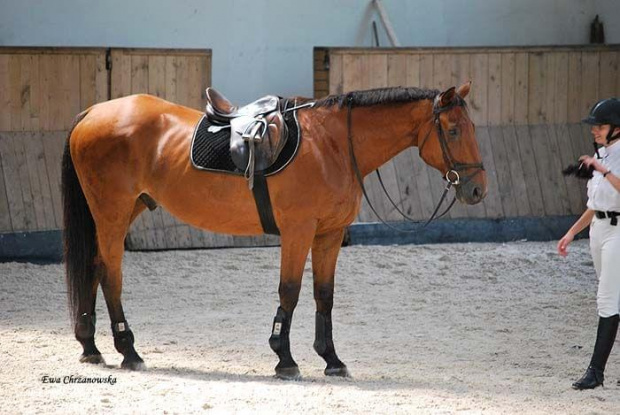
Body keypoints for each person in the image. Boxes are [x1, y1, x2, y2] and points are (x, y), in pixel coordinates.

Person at [557, 98, 620, 390]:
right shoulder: (603, 156)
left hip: (619, 231)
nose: (595, 130)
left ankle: (595, 372)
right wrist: (572, 232)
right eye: (594, 126)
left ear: (617, 128)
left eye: (601, 126)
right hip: (598, 229)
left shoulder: (611, 160)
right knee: (613, 297)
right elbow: (595, 204)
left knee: (607, 299)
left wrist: (602, 169)